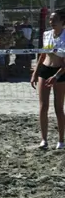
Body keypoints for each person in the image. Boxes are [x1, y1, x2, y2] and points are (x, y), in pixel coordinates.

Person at [31, 9, 65, 149]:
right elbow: (43, 55)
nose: (51, 22)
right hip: (45, 71)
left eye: (55, 19)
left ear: (63, 21)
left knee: (58, 108)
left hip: (60, 72)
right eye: (50, 19)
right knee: (43, 106)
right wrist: (35, 72)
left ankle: (61, 141)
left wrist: (56, 76)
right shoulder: (47, 35)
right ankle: (44, 140)